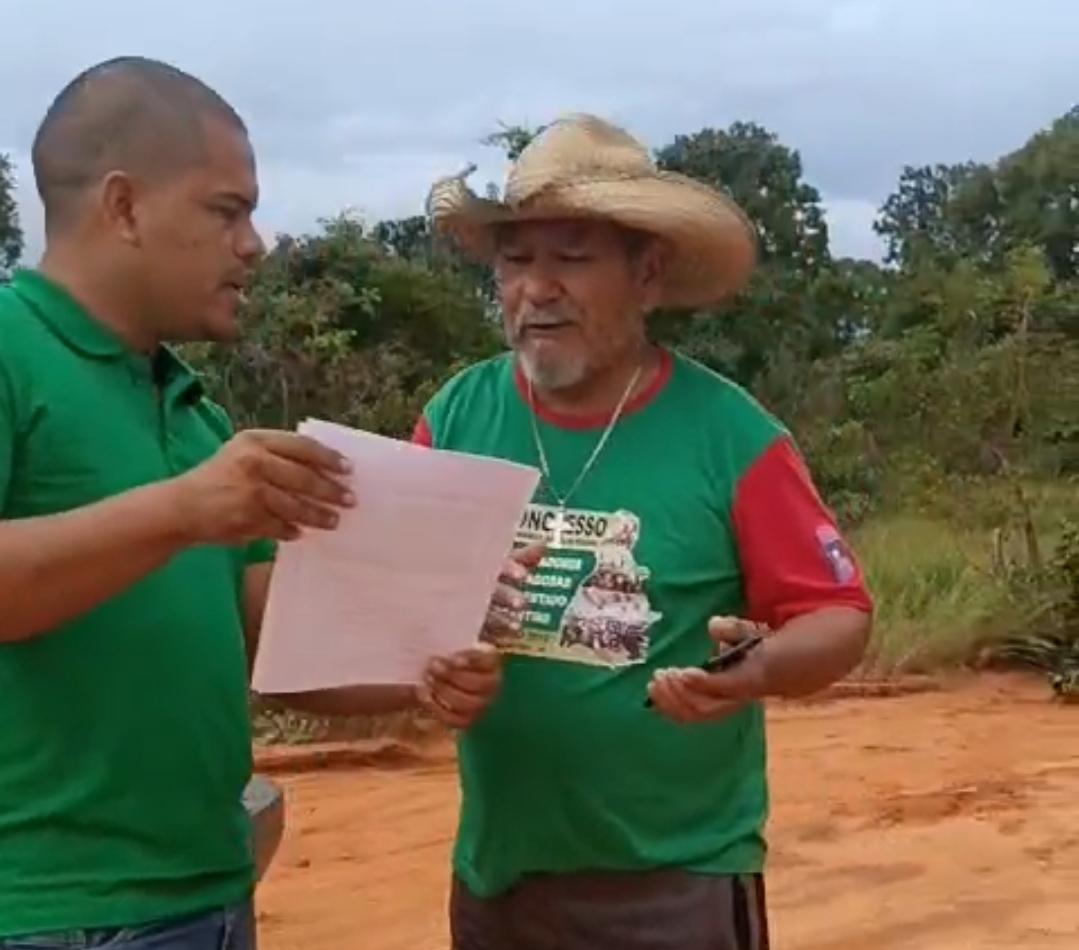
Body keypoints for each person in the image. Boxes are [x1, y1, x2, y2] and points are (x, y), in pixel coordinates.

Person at [0, 57, 501, 949]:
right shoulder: (11, 349)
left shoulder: (190, 409)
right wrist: (183, 511)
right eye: (227, 210)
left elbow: (276, 645)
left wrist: (426, 664)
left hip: (208, 895)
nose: (255, 244)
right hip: (51, 911)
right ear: (123, 208)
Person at [416, 114, 875, 950]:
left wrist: (751, 672)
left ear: (648, 271)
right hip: (496, 881)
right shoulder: (454, 419)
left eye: (572, 257)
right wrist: (429, 660)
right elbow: (395, 604)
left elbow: (839, 615)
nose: (536, 287)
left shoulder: (728, 435)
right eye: (516, 259)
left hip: (675, 887)